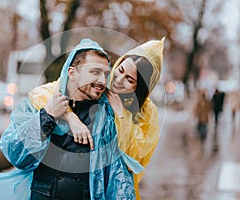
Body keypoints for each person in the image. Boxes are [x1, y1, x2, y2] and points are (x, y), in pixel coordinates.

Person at [29, 38, 165, 199]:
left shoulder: (146, 114)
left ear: (139, 87)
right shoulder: (96, 84)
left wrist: (121, 115)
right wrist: (70, 116)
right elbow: (43, 93)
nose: (119, 80)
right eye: (120, 70)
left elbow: (133, 158)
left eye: (130, 79)